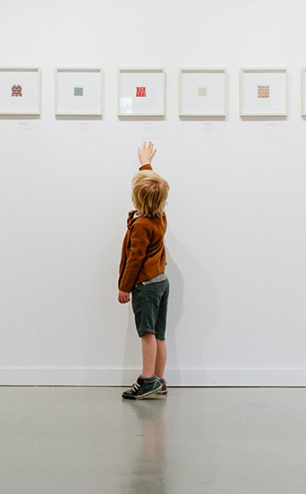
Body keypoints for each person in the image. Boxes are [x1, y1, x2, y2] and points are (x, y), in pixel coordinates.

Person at [118, 141, 170, 400]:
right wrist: (145, 163)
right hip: (161, 281)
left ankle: (147, 379)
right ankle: (159, 380)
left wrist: (124, 287)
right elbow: (153, 188)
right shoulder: (159, 214)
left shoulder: (140, 225)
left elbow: (134, 259)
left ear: (136, 198)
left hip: (146, 285)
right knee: (159, 334)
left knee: (147, 334)